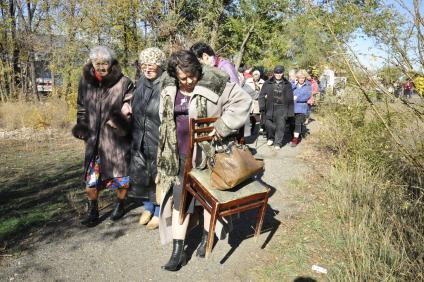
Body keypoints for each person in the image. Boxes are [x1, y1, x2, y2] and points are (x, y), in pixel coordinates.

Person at [157, 50, 251, 271]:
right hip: (178, 154)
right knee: (181, 201)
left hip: (210, 154)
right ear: (175, 76)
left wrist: (223, 125)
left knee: (208, 199)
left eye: (192, 75)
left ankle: (206, 239)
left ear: (198, 71)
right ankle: (177, 252)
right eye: (183, 78)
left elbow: (243, 100)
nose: (189, 81)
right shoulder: (168, 88)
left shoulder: (215, 82)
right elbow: (163, 115)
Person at [72, 46, 134, 226]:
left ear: (111, 63)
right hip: (93, 140)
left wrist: (122, 118)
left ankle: (120, 204)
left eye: (104, 63)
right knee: (91, 178)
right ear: (91, 63)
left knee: (121, 177)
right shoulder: (84, 81)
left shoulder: (124, 82)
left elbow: (130, 104)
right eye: (97, 63)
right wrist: (82, 126)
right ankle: (93, 210)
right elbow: (81, 106)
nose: (100, 67)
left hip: (115, 139)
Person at [124, 47, 166, 230]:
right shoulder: (141, 81)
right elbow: (136, 102)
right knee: (143, 173)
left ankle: (158, 211)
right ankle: (148, 207)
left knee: (158, 175)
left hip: (157, 136)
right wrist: (127, 105)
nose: (147, 69)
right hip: (140, 135)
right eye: (144, 65)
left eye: (151, 65)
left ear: (160, 66)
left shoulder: (166, 83)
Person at [258, 65, 294, 150]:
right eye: (277, 72)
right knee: (268, 125)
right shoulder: (267, 83)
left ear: (283, 73)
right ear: (274, 73)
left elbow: (290, 99)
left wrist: (290, 112)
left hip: (282, 108)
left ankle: (278, 142)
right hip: (270, 107)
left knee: (281, 126)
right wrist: (262, 107)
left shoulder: (287, 84)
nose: (278, 74)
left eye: (280, 72)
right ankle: (270, 138)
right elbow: (261, 96)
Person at [291, 69, 312, 147]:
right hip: (292, 107)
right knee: (292, 124)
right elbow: (288, 91)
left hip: (301, 107)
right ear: (297, 78)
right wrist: (294, 84)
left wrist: (297, 98)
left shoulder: (308, 85)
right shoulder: (293, 84)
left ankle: (295, 140)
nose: (301, 79)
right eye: (300, 78)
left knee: (298, 123)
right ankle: (296, 135)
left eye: (303, 78)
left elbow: (307, 96)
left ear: (305, 78)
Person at [244, 70, 265, 134]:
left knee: (256, 116)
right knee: (249, 116)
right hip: (249, 101)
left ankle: (255, 130)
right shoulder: (248, 81)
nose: (256, 76)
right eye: (254, 75)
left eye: (257, 75)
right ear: (252, 75)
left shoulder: (263, 82)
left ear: (259, 76)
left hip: (257, 102)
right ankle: (248, 130)